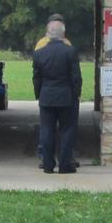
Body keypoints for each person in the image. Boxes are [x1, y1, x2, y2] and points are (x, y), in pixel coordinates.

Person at [32, 16, 82, 174]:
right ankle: (65, 164)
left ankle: (48, 164)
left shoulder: (39, 53)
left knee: (47, 130)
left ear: (48, 34)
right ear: (63, 34)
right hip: (67, 96)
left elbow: (36, 77)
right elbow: (76, 77)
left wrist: (39, 94)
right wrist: (76, 94)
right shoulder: (70, 51)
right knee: (67, 130)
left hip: (47, 96)